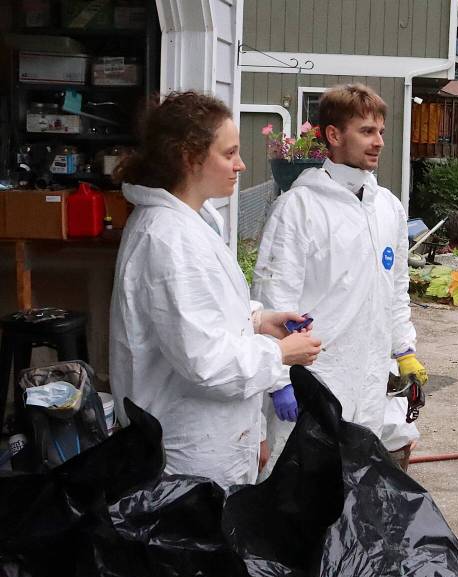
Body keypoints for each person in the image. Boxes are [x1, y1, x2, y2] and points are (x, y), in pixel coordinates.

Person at [110, 91, 321, 488]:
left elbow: (202, 316)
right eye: (229, 154)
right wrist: (280, 354)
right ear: (190, 158)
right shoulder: (169, 240)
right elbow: (204, 363)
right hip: (188, 451)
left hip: (211, 438)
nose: (240, 165)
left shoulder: (194, 221)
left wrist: (258, 320)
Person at [252, 84, 423, 463]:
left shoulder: (387, 209)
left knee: (356, 489)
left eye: (380, 131)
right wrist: (279, 381)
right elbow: (273, 299)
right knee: (301, 495)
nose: (378, 141)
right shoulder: (299, 208)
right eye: (366, 131)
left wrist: (404, 349)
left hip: (370, 377)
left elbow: (395, 289)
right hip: (315, 381)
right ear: (333, 135)